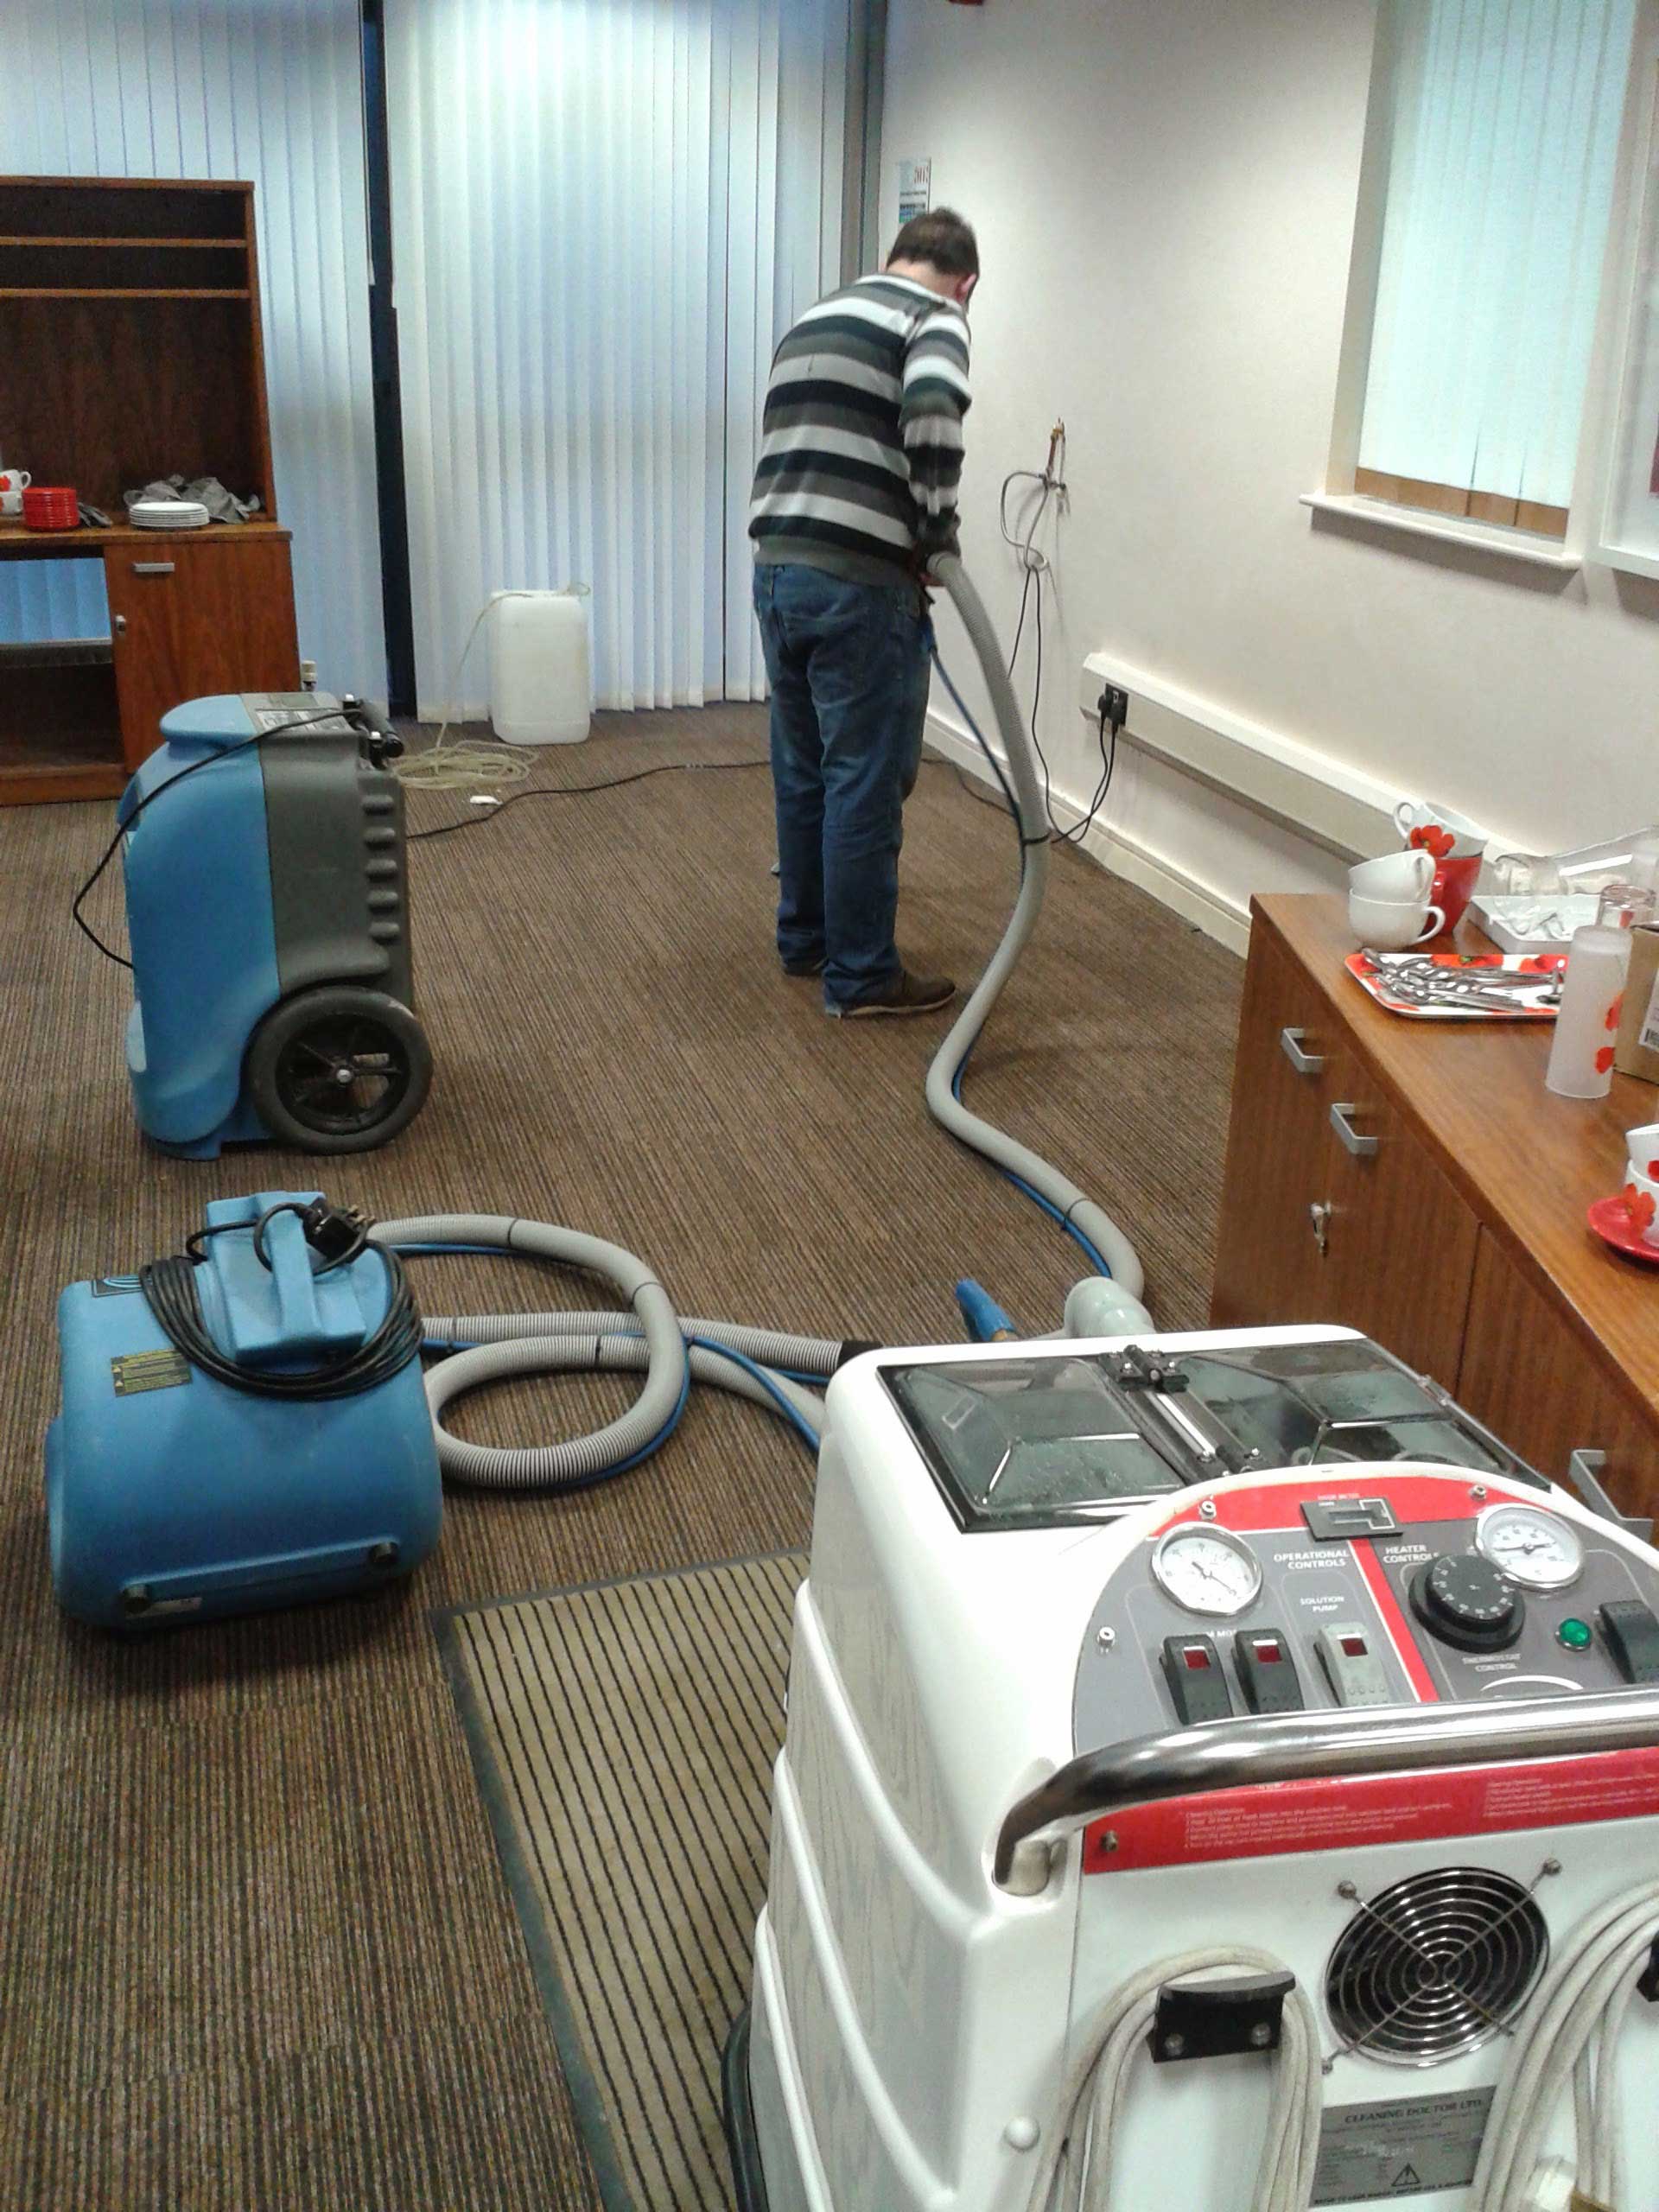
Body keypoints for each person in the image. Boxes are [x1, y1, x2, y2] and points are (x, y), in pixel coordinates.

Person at [749, 207, 977, 1018]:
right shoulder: (935, 317)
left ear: (892, 259)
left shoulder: (819, 316)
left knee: (804, 769)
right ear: (967, 283)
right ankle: (862, 975)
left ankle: (806, 940)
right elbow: (933, 412)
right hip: (858, 586)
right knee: (864, 782)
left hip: (778, 571)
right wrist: (937, 534)